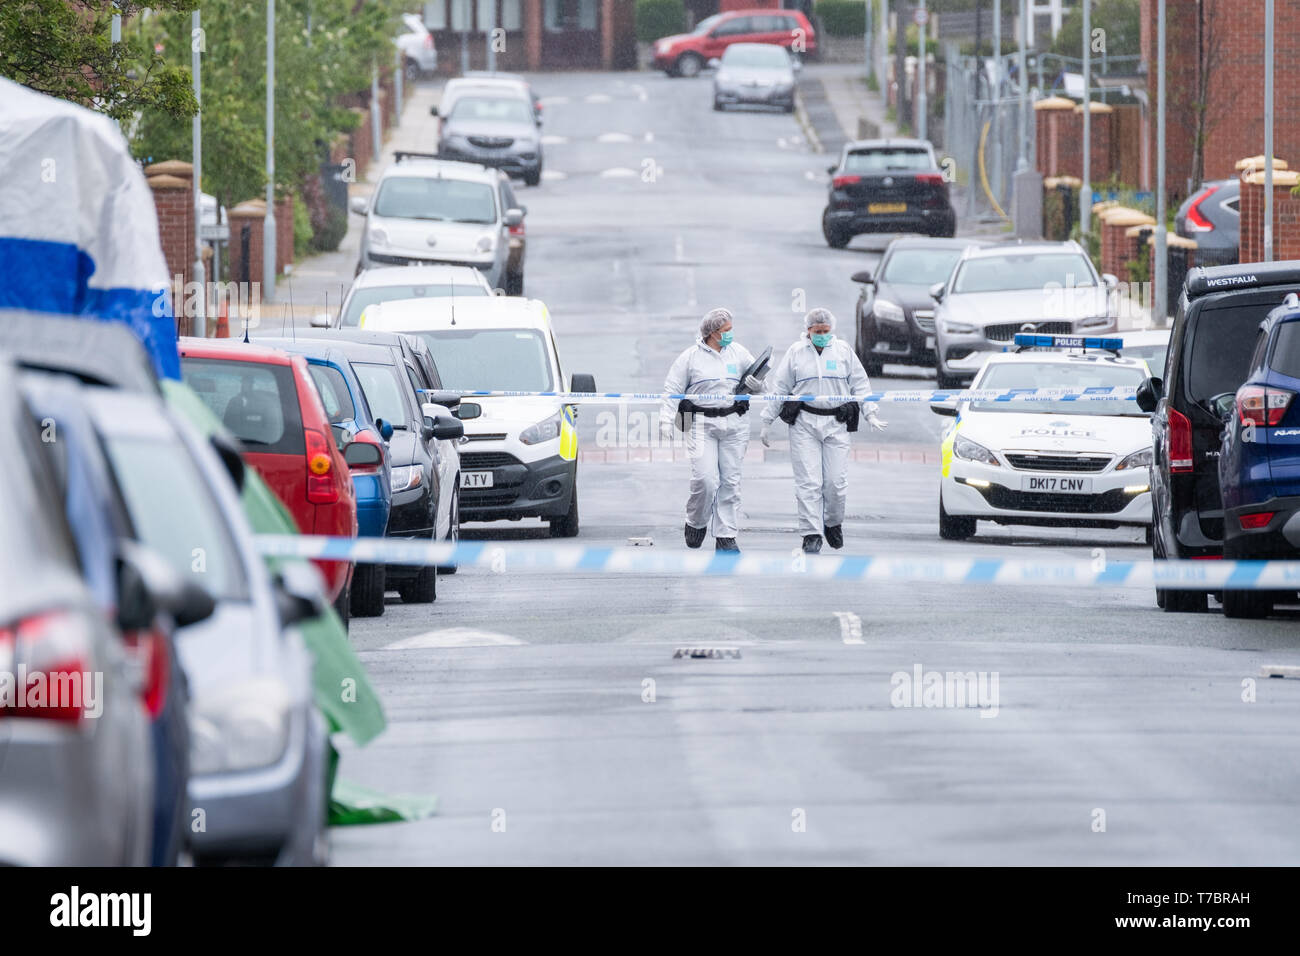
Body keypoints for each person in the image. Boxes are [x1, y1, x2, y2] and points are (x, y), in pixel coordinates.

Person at [760, 307, 886, 553]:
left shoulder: (843, 352)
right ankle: (811, 533)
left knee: (835, 483)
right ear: (808, 331)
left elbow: (860, 384)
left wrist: (870, 412)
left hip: (836, 423)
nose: (822, 335)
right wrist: (767, 420)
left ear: (832, 330)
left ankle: (832, 522)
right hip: (804, 423)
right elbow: (780, 387)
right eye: (817, 331)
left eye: (826, 331)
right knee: (809, 482)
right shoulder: (796, 353)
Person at [660, 307, 765, 552]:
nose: (730, 334)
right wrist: (666, 420)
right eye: (726, 330)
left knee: (730, 481)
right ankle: (695, 522)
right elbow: (672, 389)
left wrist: (758, 385)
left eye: (731, 329)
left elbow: (763, 384)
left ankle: (726, 536)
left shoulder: (738, 353)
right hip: (700, 424)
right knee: (705, 479)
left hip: (734, 424)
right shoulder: (690, 357)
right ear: (712, 332)